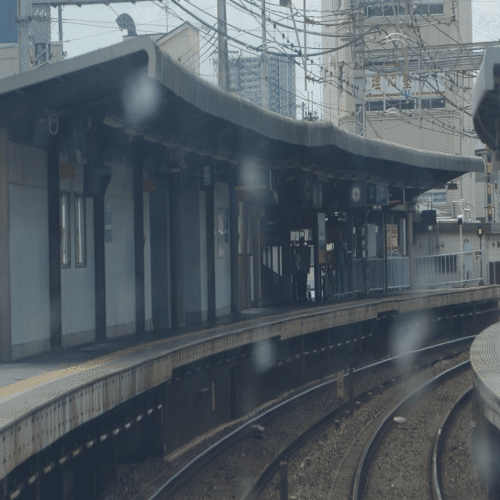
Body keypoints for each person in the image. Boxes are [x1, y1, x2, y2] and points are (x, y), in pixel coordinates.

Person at [297, 237, 310, 302]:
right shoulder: (303, 250)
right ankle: (301, 296)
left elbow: (307, 260)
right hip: (301, 270)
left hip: (303, 269)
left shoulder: (303, 250)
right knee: (301, 283)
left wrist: (307, 268)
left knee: (303, 283)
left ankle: (303, 296)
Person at [335, 234, 347, 298]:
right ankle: (340, 292)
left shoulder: (341, 244)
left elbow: (345, 252)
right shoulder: (339, 244)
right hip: (340, 264)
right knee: (339, 279)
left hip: (341, 264)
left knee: (342, 279)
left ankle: (342, 292)